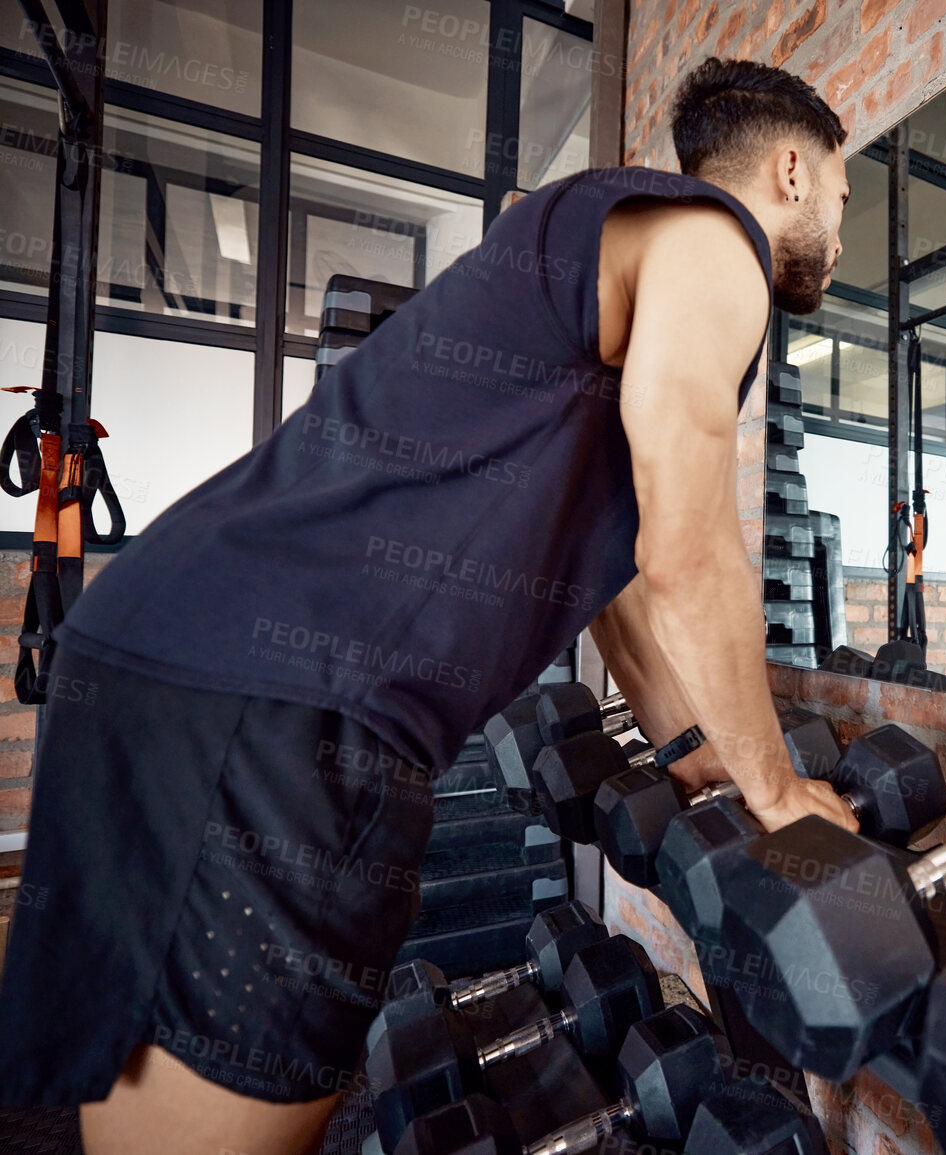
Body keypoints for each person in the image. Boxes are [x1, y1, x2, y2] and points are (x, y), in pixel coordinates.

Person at [0, 57, 856, 1155]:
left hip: (151, 650)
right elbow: (693, 550)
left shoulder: (605, 240)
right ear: (792, 167)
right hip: (290, 710)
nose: (837, 228)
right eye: (839, 195)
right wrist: (776, 789)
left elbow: (624, 574)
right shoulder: (715, 245)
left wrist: (696, 747)